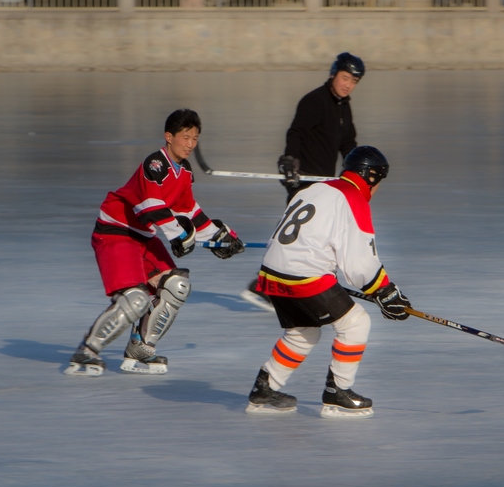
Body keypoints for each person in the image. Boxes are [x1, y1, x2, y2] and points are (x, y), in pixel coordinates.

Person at [66, 109, 246, 377]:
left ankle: (141, 347)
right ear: (169, 137)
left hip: (144, 236)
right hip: (116, 232)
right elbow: (152, 206)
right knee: (136, 299)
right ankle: (87, 352)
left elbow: (189, 211)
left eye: (195, 139)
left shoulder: (184, 171)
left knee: (177, 285)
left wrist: (220, 238)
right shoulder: (155, 165)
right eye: (186, 137)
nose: (190, 144)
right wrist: (179, 236)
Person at [244, 146, 411, 418]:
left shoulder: (314, 189)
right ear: (370, 177)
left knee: (303, 333)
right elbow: (359, 264)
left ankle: (264, 388)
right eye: (379, 181)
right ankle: (338, 393)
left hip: (271, 273)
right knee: (356, 323)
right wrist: (386, 292)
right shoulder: (353, 197)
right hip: (304, 275)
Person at [239, 52, 365, 311]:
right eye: (345, 78)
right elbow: (296, 132)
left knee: (313, 238)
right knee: (295, 237)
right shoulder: (315, 101)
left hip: (324, 184)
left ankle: (297, 286)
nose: (348, 84)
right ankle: (262, 287)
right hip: (302, 180)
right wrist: (289, 160)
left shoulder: (343, 106)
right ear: (333, 74)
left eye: (353, 81)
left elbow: (347, 142)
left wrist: (357, 168)